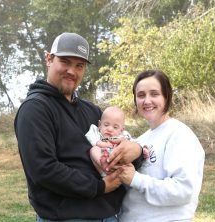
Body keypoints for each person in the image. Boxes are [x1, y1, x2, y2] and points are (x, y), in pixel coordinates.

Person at [14, 32, 143, 222]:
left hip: (110, 215)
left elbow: (119, 143)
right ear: (48, 59)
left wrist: (136, 150)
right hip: (67, 217)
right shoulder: (35, 109)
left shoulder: (92, 111)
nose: (72, 71)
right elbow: (44, 169)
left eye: (79, 65)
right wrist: (100, 187)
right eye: (65, 61)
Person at [117, 70, 205, 222]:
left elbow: (183, 190)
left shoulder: (179, 134)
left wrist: (135, 179)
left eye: (154, 94)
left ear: (167, 96)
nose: (147, 101)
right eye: (141, 95)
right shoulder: (141, 140)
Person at [86, 106, 149, 177]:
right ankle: (105, 166)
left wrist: (143, 148)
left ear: (121, 130)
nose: (109, 129)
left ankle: (117, 171)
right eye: (106, 125)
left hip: (117, 161)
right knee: (93, 150)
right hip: (102, 160)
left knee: (126, 149)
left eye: (115, 127)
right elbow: (89, 136)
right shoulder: (96, 132)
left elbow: (134, 143)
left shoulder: (123, 135)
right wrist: (99, 143)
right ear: (100, 125)